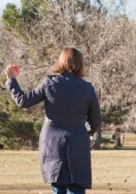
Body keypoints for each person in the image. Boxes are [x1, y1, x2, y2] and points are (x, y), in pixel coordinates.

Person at [5, 47, 101, 194]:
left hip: (53, 143)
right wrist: (86, 131)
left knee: (58, 187)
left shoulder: (49, 83)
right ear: (80, 64)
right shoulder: (87, 88)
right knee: (76, 188)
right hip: (77, 143)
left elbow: (23, 101)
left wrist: (12, 80)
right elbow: (95, 121)